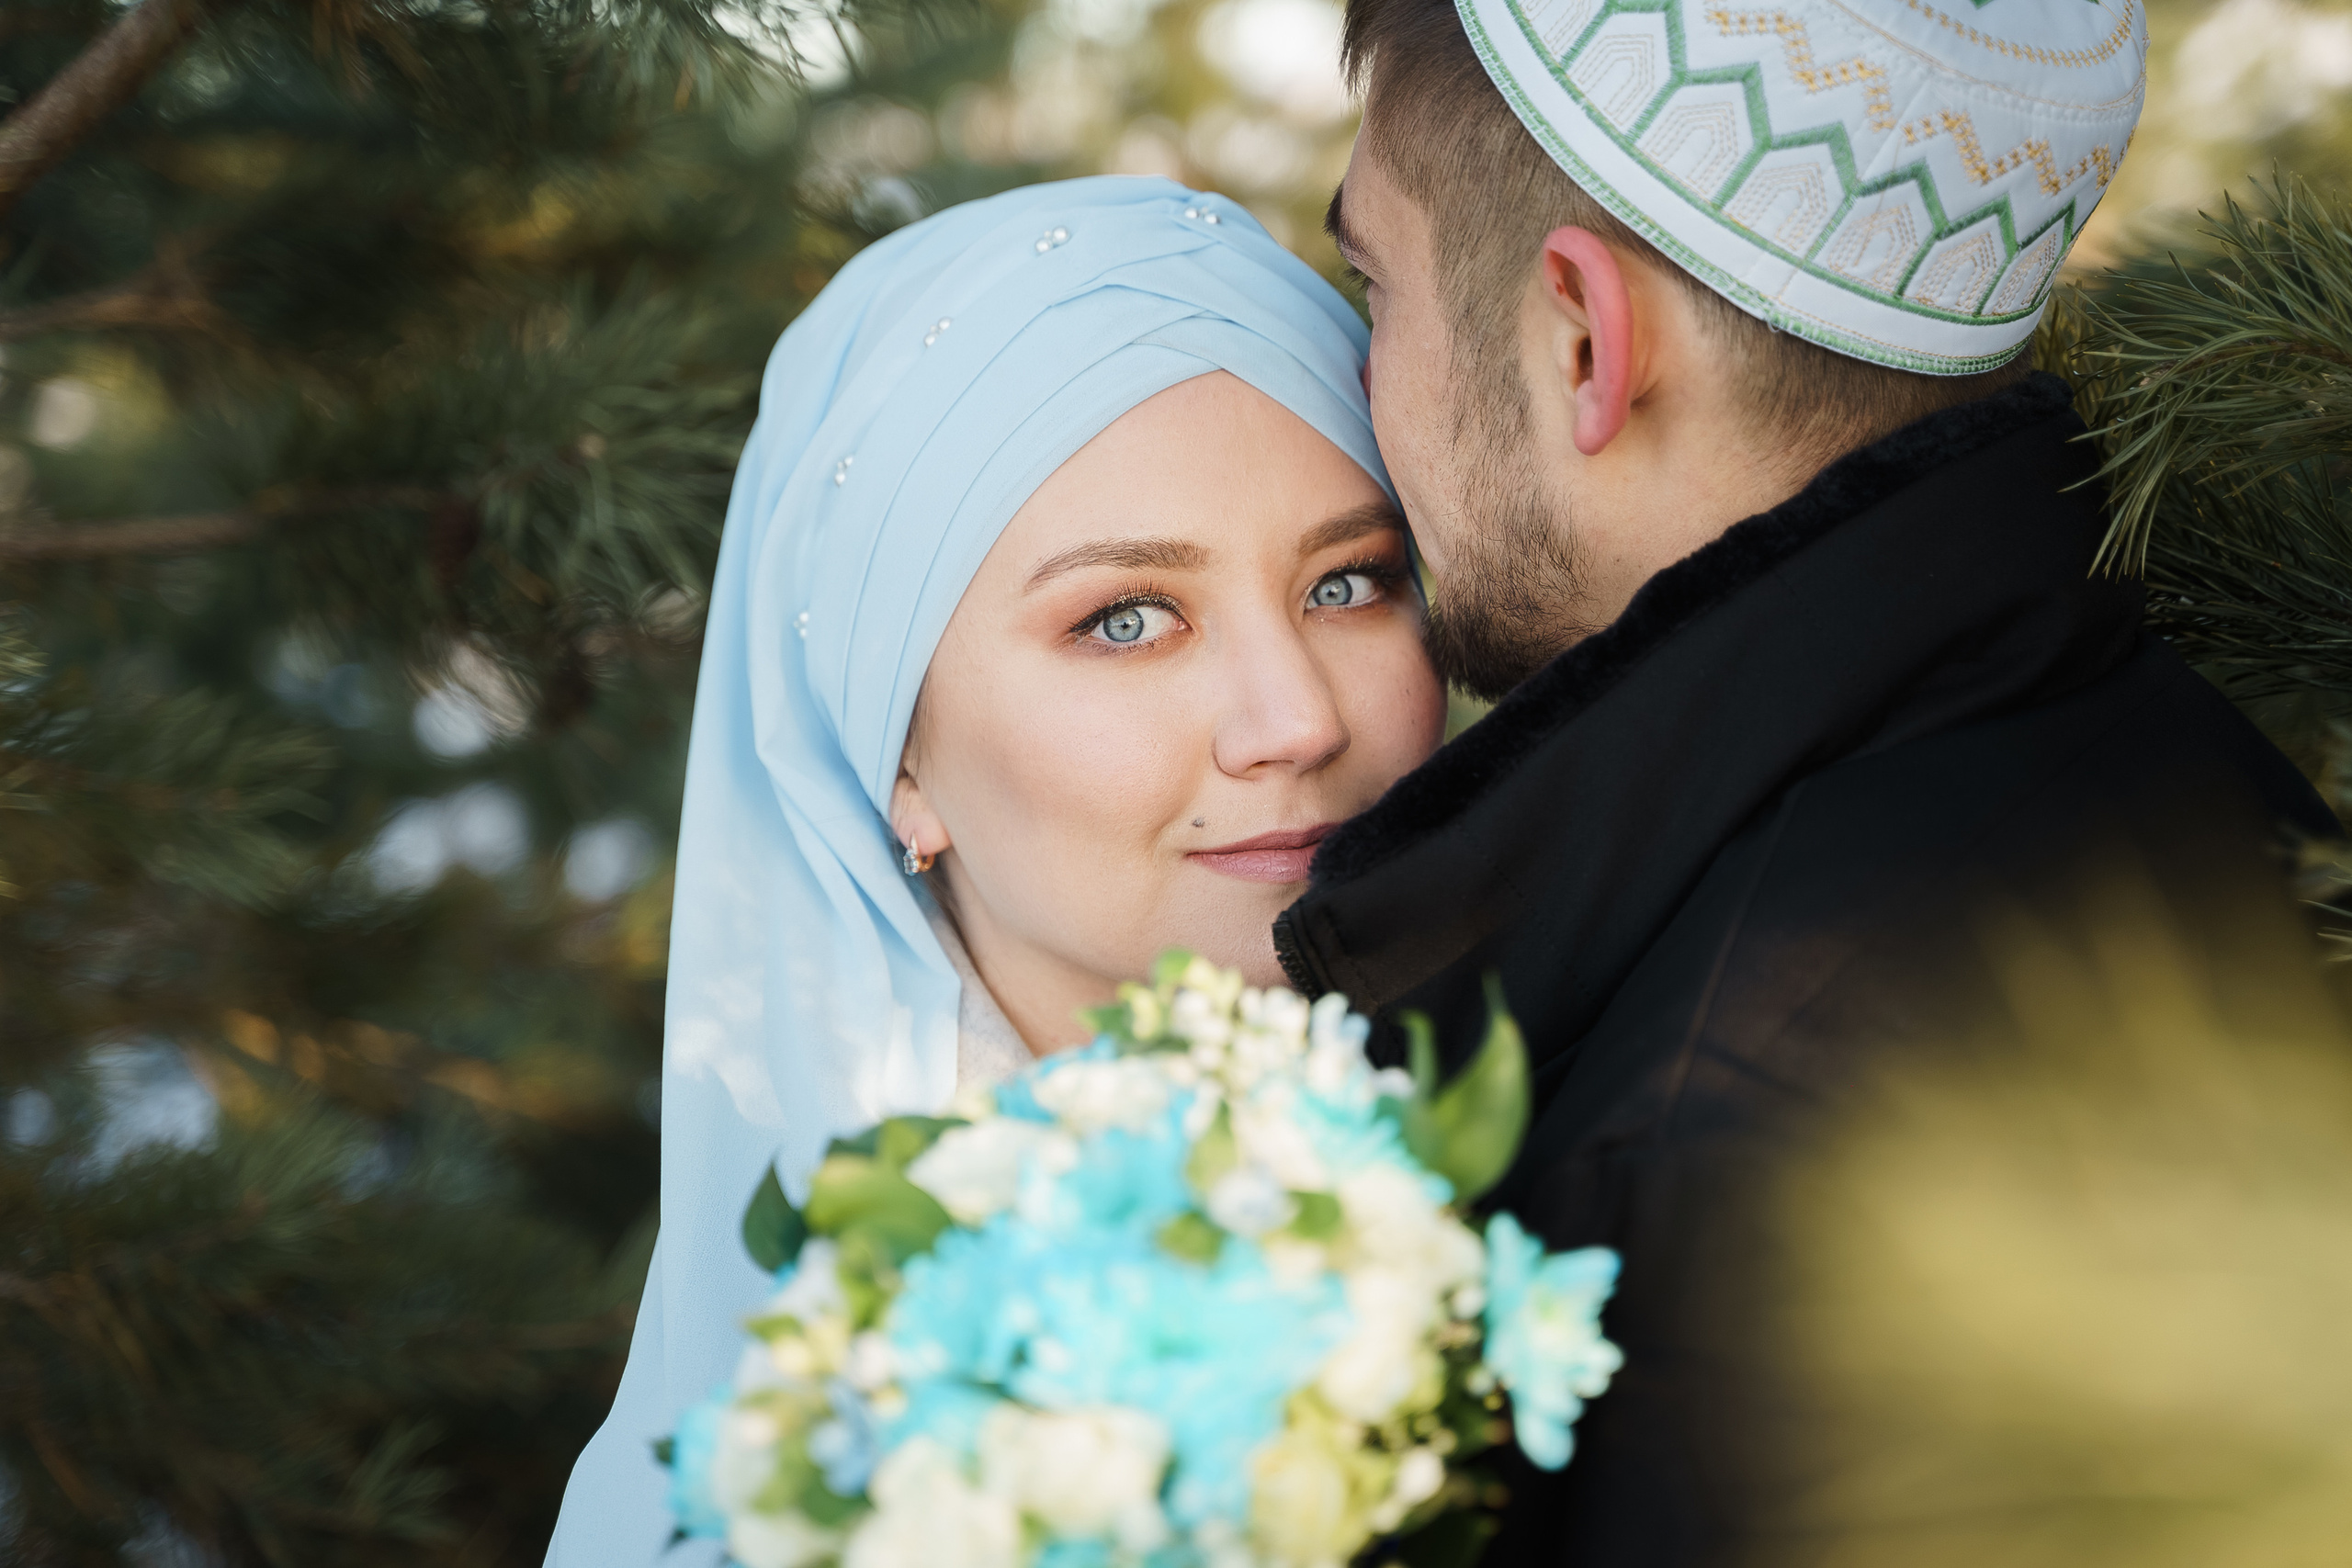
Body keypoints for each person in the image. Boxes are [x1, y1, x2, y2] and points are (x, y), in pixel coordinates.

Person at [1284, 0, 2343, 1562]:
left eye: (1374, 285)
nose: (1355, 404)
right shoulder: (2208, 779)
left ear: (1584, 340)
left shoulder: (1698, 1198)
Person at [546, 177, 1444, 1564]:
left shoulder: (1635, 1116)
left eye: (1348, 583)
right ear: (896, 754)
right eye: (1130, 618)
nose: (1299, 720)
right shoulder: (835, 1462)